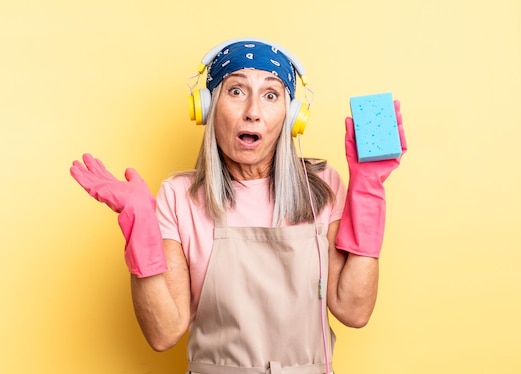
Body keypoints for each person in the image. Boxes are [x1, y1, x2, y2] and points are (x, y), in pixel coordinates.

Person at [70, 38, 406, 374]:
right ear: (207, 107)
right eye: (236, 91)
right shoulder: (178, 196)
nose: (253, 112)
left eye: (271, 95)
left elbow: (353, 310)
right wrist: (139, 225)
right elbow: (163, 333)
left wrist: (368, 192)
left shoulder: (320, 186)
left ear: (291, 116)